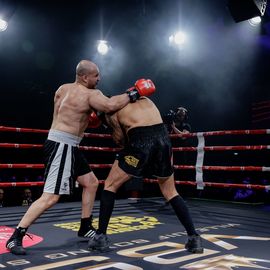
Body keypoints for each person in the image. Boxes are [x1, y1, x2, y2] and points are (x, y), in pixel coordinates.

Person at [6, 60, 155, 255]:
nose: (99, 79)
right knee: (50, 197)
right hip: (63, 145)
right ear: (85, 77)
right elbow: (110, 105)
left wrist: (87, 120)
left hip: (63, 142)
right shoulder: (91, 94)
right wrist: (135, 92)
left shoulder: (62, 89)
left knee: (91, 183)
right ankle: (16, 236)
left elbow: (72, 115)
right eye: (96, 75)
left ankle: (85, 226)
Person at [88, 97, 203, 254]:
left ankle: (100, 237)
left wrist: (106, 123)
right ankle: (194, 238)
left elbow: (121, 140)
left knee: (110, 185)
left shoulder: (110, 108)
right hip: (163, 138)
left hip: (141, 139)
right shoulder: (141, 97)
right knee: (170, 192)